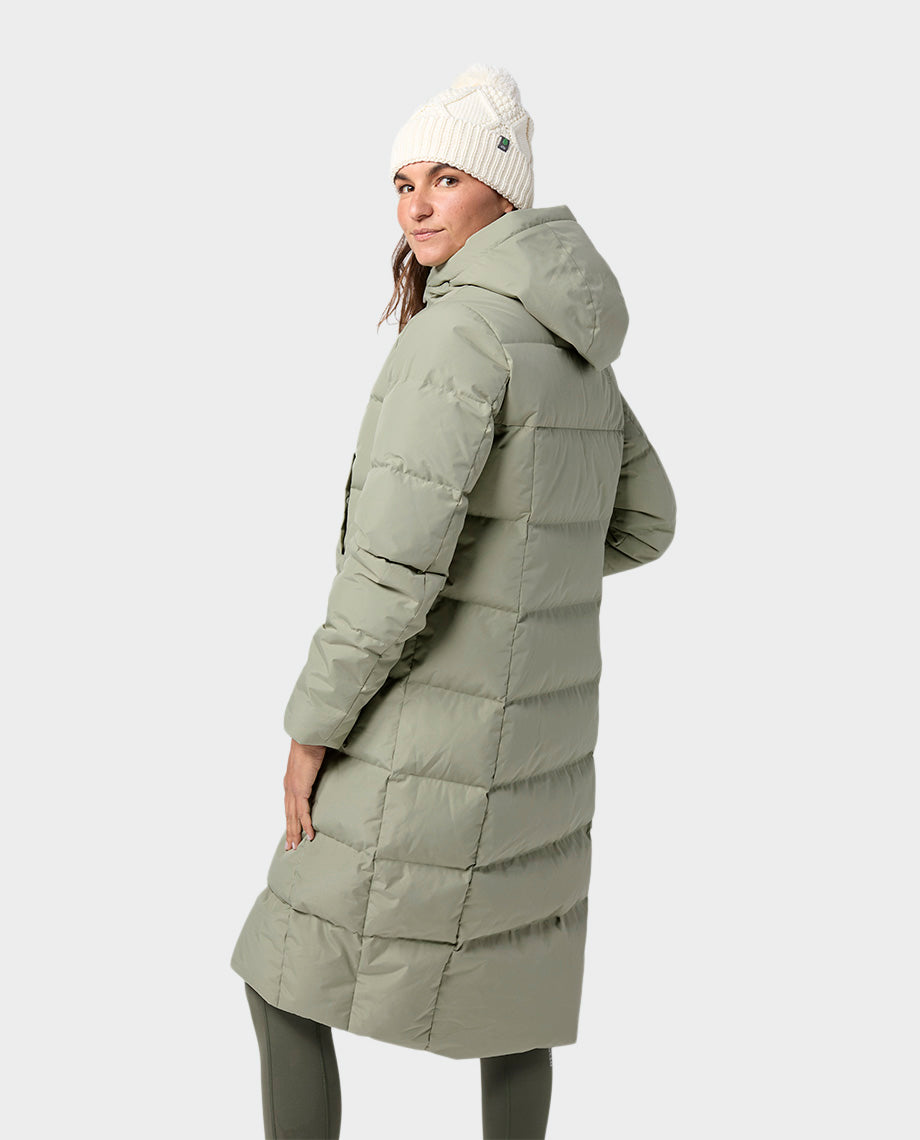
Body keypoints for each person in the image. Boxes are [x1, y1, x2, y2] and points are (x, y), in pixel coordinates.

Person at [231, 62, 677, 1139]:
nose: (417, 206)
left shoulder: (459, 336)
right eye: (403, 182)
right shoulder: (574, 347)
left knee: (283, 974)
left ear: (503, 191)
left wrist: (309, 731)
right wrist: (521, 586)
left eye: (445, 179)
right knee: (511, 1000)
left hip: (421, 747)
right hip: (537, 763)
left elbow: (389, 573)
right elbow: (644, 520)